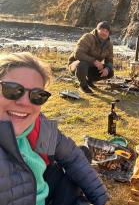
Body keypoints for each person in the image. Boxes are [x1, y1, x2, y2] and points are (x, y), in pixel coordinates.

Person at [0, 53, 109, 205]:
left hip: (44, 189)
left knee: (82, 153)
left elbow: (71, 157)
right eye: (12, 89)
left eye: (37, 95)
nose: (24, 102)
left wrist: (101, 199)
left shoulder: (37, 125)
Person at [68, 21, 114, 94]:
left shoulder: (109, 44)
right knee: (83, 64)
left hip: (92, 66)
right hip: (76, 64)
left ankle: (89, 81)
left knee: (110, 72)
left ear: (108, 33)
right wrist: (94, 61)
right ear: (97, 30)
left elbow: (110, 60)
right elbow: (78, 54)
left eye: (107, 31)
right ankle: (83, 86)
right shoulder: (88, 37)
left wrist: (107, 69)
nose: (104, 33)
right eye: (102, 30)